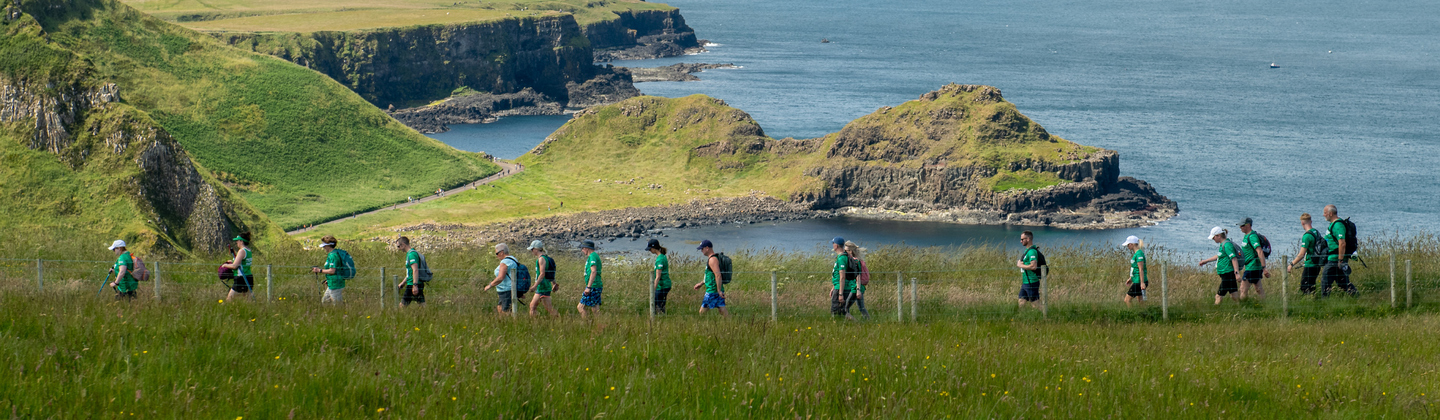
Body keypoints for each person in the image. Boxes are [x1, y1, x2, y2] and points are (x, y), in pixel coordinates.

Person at [1198, 227, 1243, 305]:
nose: (1213, 239)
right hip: (1226, 273)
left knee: (1219, 296)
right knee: (1234, 294)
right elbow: (1219, 256)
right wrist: (1206, 261)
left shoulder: (1227, 245)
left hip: (1227, 273)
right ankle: (1240, 307)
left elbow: (1234, 258)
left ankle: (1215, 310)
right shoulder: (1223, 244)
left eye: (1213, 237)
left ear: (1218, 236)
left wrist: (1237, 273)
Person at [1320, 205, 1358, 297]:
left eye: (1325, 213)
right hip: (1334, 258)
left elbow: (1342, 243)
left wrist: (1340, 260)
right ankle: (1356, 296)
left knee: (1325, 281)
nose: (1323, 215)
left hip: (1335, 259)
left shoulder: (1338, 225)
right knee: (1343, 283)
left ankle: (1324, 302)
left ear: (1330, 213)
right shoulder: (1333, 224)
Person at [483, 243, 526, 314]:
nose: (496, 256)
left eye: (497, 253)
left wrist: (489, 285)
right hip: (508, 289)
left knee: (505, 312)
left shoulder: (505, 262)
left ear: (502, 252)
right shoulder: (513, 259)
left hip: (506, 290)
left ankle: (508, 324)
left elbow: (500, 277)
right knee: (501, 308)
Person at [1287, 213, 1324, 295]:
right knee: (1312, 286)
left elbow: (1301, 254)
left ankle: (1311, 302)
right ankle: (1314, 300)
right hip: (1317, 263)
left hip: (1310, 264)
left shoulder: (1307, 236)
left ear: (1302, 223)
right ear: (1311, 221)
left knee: (1305, 287)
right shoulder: (1316, 232)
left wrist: (1291, 264)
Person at [693, 240, 730, 317]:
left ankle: (700, 325)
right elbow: (711, 275)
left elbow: (718, 275)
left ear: (707, 248)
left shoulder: (712, 259)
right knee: (722, 310)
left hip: (712, 290)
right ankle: (731, 322)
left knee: (702, 313)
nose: (701, 251)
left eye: (702, 249)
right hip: (715, 289)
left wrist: (719, 290)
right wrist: (701, 283)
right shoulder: (713, 258)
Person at [1236, 217, 1269, 299]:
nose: (1240, 227)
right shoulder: (1246, 236)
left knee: (1243, 289)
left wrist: (1264, 268)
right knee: (1258, 289)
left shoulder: (1252, 237)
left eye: (1242, 225)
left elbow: (1260, 251)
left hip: (1252, 267)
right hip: (1250, 266)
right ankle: (1264, 304)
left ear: (1248, 225)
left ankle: (1242, 307)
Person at [526, 240, 560, 317]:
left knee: (549, 308)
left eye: (532, 249)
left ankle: (560, 321)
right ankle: (535, 323)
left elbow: (542, 274)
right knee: (532, 306)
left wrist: (534, 286)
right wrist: (554, 283)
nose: (532, 251)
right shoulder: (547, 258)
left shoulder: (541, 259)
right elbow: (550, 273)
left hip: (543, 286)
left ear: (536, 249)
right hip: (542, 286)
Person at [310, 236, 346, 304]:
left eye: (324, 246)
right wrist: (328, 279)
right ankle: (328, 314)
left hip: (336, 284)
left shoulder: (333, 256)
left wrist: (319, 270)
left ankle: (342, 314)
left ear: (329, 246)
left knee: (337, 304)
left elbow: (332, 271)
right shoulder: (331, 254)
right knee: (325, 302)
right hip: (331, 283)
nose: (323, 248)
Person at [219, 233, 254, 301]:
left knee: (229, 299)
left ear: (241, 241)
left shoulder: (242, 251)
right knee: (248, 300)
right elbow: (242, 262)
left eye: (238, 240)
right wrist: (232, 261)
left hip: (241, 277)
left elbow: (235, 266)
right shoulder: (248, 250)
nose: (236, 242)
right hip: (249, 276)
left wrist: (225, 265)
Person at [829, 237, 857, 320]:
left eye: (833, 243)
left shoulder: (842, 258)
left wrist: (840, 294)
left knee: (835, 310)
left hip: (840, 288)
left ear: (836, 245)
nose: (833, 245)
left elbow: (842, 277)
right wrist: (833, 287)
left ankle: (837, 325)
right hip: (837, 286)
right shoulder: (843, 256)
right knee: (842, 311)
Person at [1015, 231, 1042, 310]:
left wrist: (1021, 265)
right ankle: (1021, 318)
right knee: (1021, 301)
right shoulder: (1027, 251)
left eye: (1022, 239)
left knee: (1035, 304)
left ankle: (1045, 318)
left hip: (1031, 281)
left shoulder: (1032, 251)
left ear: (1028, 239)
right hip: (1026, 281)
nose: (1021, 241)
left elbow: (1033, 266)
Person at [844, 240, 870, 319]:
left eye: (846, 251)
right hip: (859, 287)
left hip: (855, 287)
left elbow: (857, 275)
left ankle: (853, 322)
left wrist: (857, 289)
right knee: (861, 307)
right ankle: (868, 321)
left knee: (845, 308)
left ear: (850, 251)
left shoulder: (854, 261)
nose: (844, 252)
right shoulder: (858, 260)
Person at [576, 240, 603, 318]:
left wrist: (588, 287)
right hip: (595, 285)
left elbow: (594, 271)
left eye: (582, 248)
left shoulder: (592, 256)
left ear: (586, 248)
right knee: (595, 309)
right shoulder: (593, 256)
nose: (582, 250)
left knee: (580, 307)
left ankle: (586, 324)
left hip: (593, 286)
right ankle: (599, 325)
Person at [397, 237, 425, 307]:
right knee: (422, 304)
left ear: (403, 245)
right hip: (413, 283)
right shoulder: (409, 254)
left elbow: (415, 270)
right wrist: (403, 283)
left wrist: (415, 285)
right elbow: (410, 272)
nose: (398, 249)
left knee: (402, 306)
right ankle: (428, 316)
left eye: (398, 246)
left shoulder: (411, 254)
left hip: (412, 284)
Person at [648, 239, 672, 314]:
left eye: (650, 249)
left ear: (654, 248)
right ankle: (660, 316)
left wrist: (653, 289)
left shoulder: (660, 259)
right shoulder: (662, 256)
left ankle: (660, 317)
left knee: (658, 305)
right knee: (659, 304)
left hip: (662, 286)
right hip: (664, 285)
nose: (649, 251)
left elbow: (658, 277)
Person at [1122, 235, 1147, 307]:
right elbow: (1135, 268)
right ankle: (1143, 314)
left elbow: (1141, 269)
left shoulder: (1139, 254)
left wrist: (1142, 283)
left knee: (1127, 300)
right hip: (1136, 279)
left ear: (1131, 244)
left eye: (1128, 245)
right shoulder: (1136, 254)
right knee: (1140, 301)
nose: (1127, 246)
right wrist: (1131, 278)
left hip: (1138, 281)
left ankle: (1131, 314)